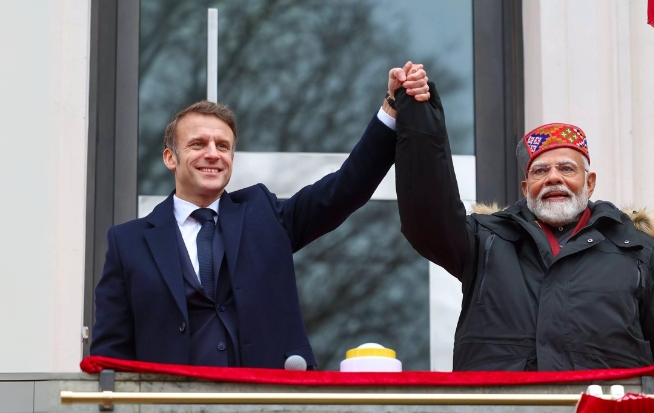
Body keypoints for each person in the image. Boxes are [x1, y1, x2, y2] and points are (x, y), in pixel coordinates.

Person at [90, 62, 430, 369]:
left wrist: (391, 110)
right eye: (198, 144)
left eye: (222, 146)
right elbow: (110, 355)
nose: (213, 154)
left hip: (268, 401)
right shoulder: (128, 242)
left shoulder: (264, 215)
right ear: (170, 158)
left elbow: (345, 189)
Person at [393, 81, 654, 375]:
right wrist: (420, 119)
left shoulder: (640, 250)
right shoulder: (483, 241)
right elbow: (428, 216)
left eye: (567, 168)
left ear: (589, 182)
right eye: (541, 171)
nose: (554, 177)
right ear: (527, 187)